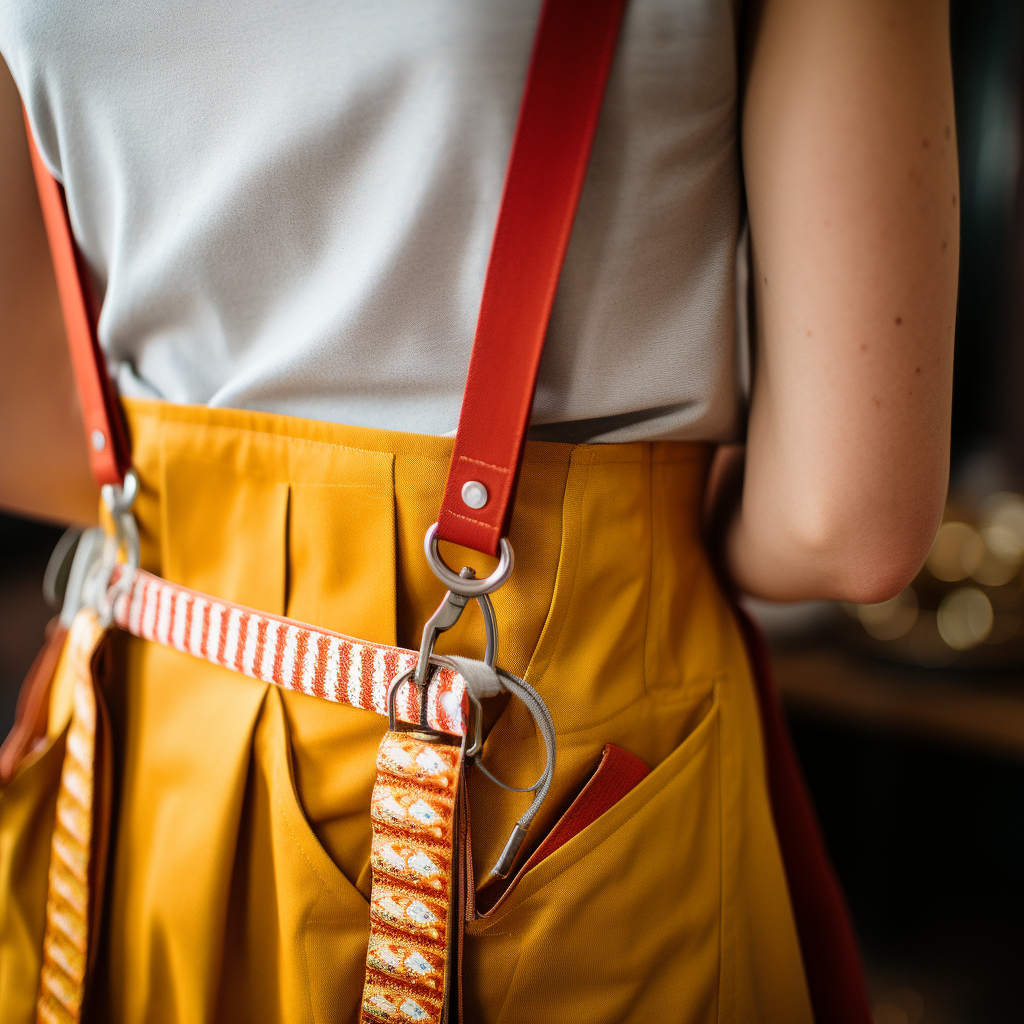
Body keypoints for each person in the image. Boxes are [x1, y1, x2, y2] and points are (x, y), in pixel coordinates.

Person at [0, 1, 958, 1022]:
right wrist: (628, 529)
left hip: (151, 755)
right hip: (540, 761)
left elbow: (26, 430)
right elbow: (845, 521)